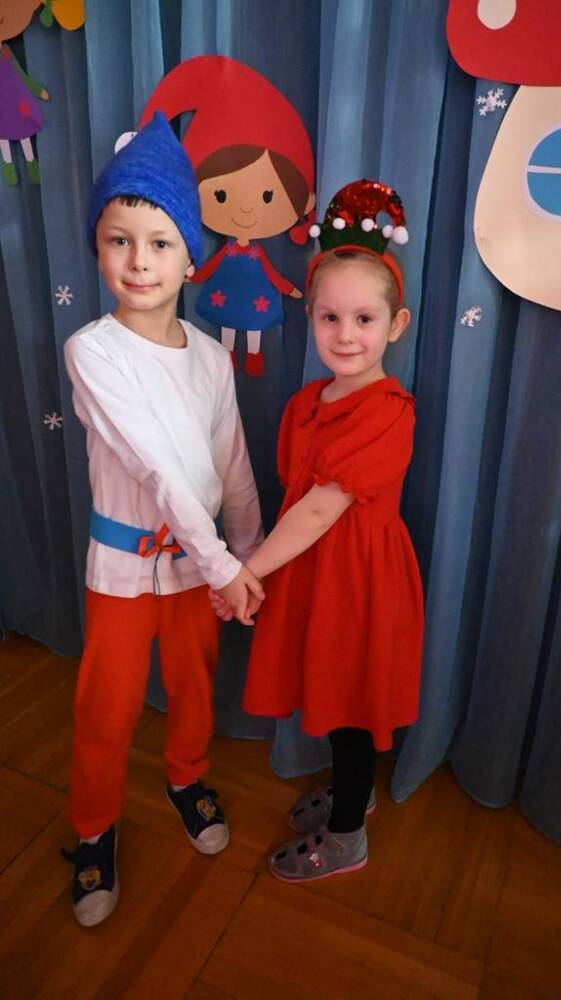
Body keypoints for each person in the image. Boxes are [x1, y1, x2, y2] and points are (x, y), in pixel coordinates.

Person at [61, 112, 264, 927]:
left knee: (192, 686)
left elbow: (231, 464)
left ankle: (186, 777)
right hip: (123, 569)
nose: (138, 261)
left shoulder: (212, 357)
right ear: (98, 247)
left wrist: (246, 556)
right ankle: (92, 830)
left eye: (158, 243)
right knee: (106, 709)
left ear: (189, 257)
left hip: (196, 568)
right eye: (119, 241)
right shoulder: (93, 350)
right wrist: (226, 565)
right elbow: (156, 464)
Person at [210, 179, 424, 882]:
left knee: (351, 706)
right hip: (314, 572)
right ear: (311, 319)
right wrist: (258, 568)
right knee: (333, 694)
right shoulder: (306, 402)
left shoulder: (389, 410)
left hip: (358, 582)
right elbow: (294, 502)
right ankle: (353, 794)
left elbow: (316, 511)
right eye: (330, 317)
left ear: (396, 325)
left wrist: (246, 571)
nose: (345, 335)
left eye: (364, 319)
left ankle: (346, 836)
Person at [139, 54, 316, 376]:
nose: (246, 209)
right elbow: (210, 267)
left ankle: (254, 355)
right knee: (229, 326)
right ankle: (229, 354)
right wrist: (192, 277)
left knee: (253, 326)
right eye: (220, 195)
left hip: (253, 297)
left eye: (267, 196)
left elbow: (269, 272)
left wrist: (286, 287)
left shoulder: (253, 252)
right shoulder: (230, 250)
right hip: (229, 295)